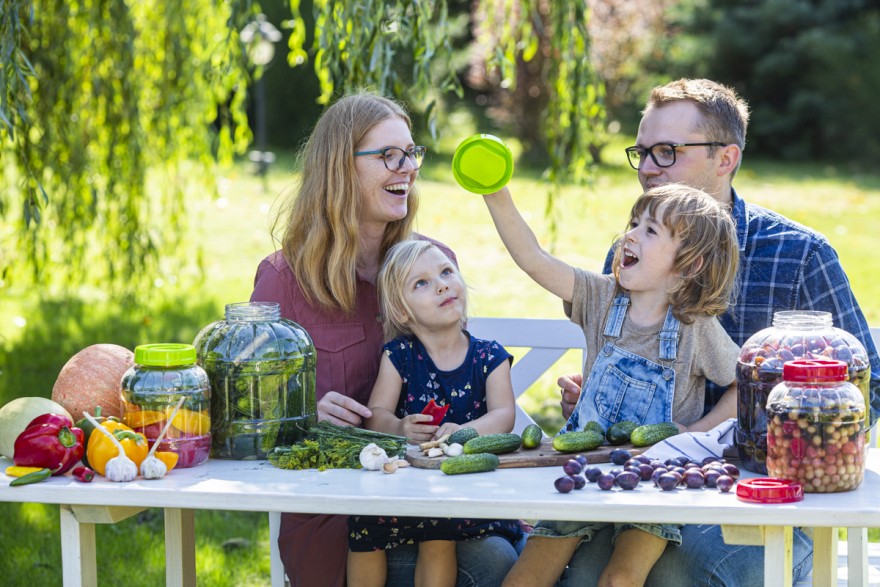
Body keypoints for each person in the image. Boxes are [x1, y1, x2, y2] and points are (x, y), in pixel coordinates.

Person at [559, 78, 880, 585]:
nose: (647, 168)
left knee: (686, 570)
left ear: (726, 158)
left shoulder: (799, 255)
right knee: (577, 572)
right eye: (641, 152)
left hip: (764, 495)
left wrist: (765, 439)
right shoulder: (634, 252)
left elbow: (869, 388)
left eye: (667, 152)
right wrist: (598, 403)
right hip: (644, 488)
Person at [250, 91, 521, 587]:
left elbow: (467, 376)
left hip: (434, 498)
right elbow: (248, 414)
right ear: (339, 168)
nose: (409, 168)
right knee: (491, 564)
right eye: (389, 156)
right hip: (340, 517)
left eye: (411, 153)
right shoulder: (283, 280)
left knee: (510, 554)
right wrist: (303, 418)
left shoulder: (430, 263)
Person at [481, 182, 742, 587]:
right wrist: (495, 193)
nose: (630, 235)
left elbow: (745, 385)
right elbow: (533, 259)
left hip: (657, 482)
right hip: (580, 473)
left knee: (620, 580)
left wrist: (693, 433)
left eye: (650, 230)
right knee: (525, 579)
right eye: (633, 223)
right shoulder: (600, 297)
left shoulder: (697, 329)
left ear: (689, 264)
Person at [347, 239, 522, 587]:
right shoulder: (399, 356)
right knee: (363, 523)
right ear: (402, 312)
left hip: (464, 492)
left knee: (439, 529)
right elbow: (376, 414)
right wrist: (399, 426)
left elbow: (504, 415)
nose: (442, 285)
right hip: (404, 489)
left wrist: (466, 432)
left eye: (446, 272)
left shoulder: (489, 357)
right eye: (421, 283)